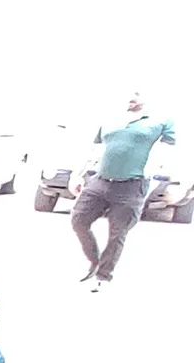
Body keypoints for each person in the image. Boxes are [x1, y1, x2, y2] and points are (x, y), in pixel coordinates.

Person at [73, 93, 175, 291]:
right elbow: (94, 150)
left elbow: (169, 152)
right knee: (78, 220)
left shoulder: (161, 121)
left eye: (136, 93)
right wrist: (78, 174)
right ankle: (95, 261)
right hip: (101, 180)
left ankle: (103, 276)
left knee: (117, 233)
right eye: (128, 93)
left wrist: (163, 181)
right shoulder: (111, 120)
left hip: (132, 185)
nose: (131, 97)